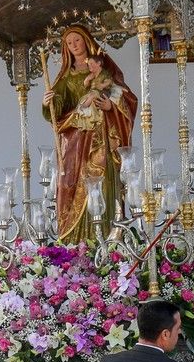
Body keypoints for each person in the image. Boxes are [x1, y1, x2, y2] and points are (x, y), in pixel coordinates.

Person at [40, 25, 138, 243]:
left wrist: (110, 108)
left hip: (102, 137)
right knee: (75, 185)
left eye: (77, 40)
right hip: (76, 142)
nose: (74, 45)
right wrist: (48, 103)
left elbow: (126, 98)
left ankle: (107, 241)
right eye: (69, 43)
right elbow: (58, 108)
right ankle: (76, 245)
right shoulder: (67, 76)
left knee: (101, 182)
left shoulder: (104, 70)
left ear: (86, 40)